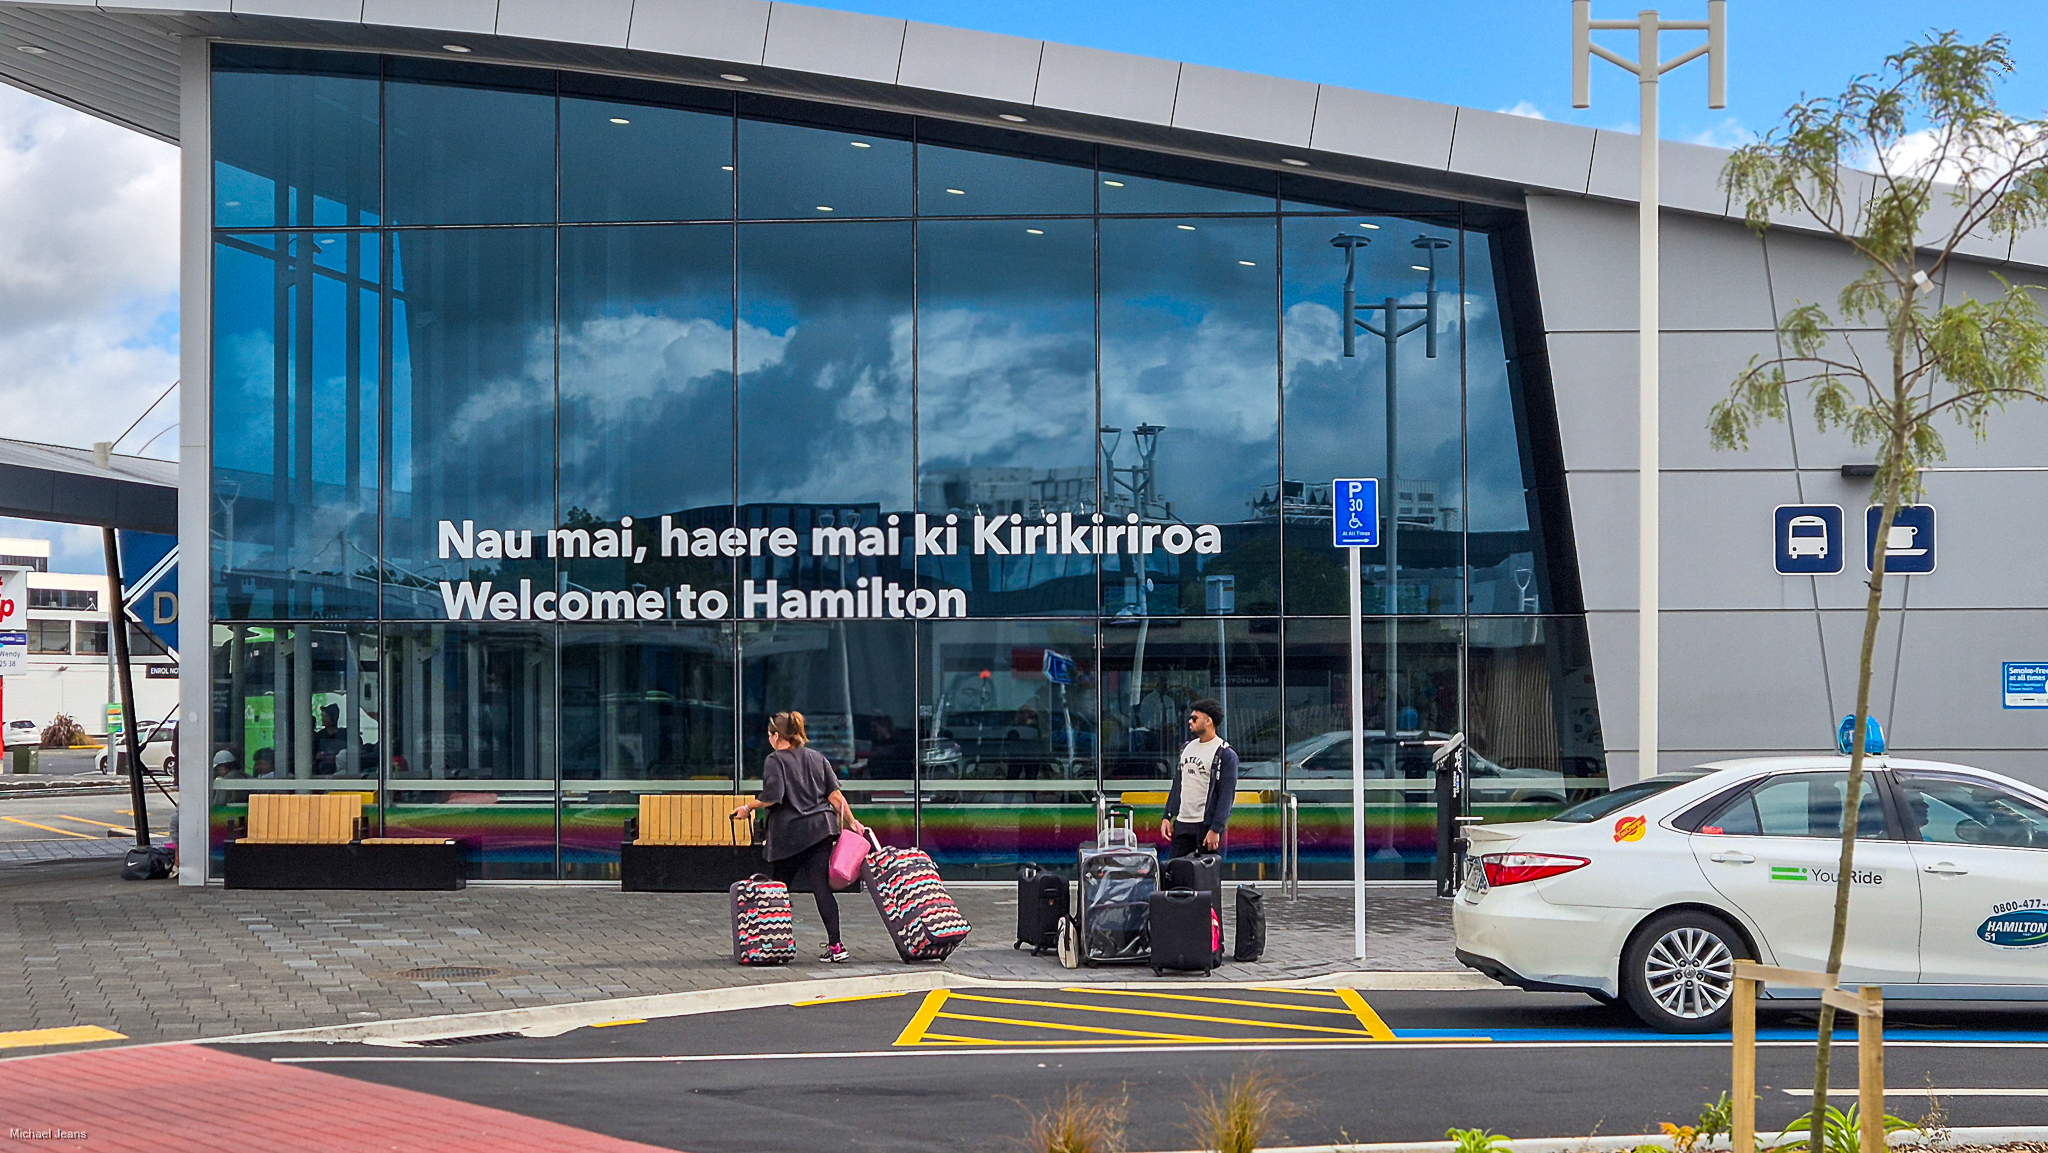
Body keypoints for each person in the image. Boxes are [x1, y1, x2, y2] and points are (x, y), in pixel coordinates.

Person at [732, 711, 864, 963]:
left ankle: (771, 942)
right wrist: (852, 822)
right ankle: (836, 946)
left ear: (776, 736)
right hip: (820, 831)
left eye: (769, 735)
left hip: (789, 836)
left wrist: (747, 808)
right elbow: (836, 797)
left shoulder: (775, 760)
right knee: (821, 888)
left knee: (778, 889)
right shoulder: (817, 757)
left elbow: (773, 796)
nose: (769, 739)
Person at [1158, 698, 1238, 860]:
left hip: (1205, 824)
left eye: (1194, 718)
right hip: (1182, 821)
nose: (1190, 721)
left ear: (1208, 721)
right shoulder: (1187, 748)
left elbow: (1226, 795)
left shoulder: (1224, 753)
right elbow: (1178, 785)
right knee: (1174, 868)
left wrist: (1216, 828)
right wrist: (1167, 815)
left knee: (1205, 871)